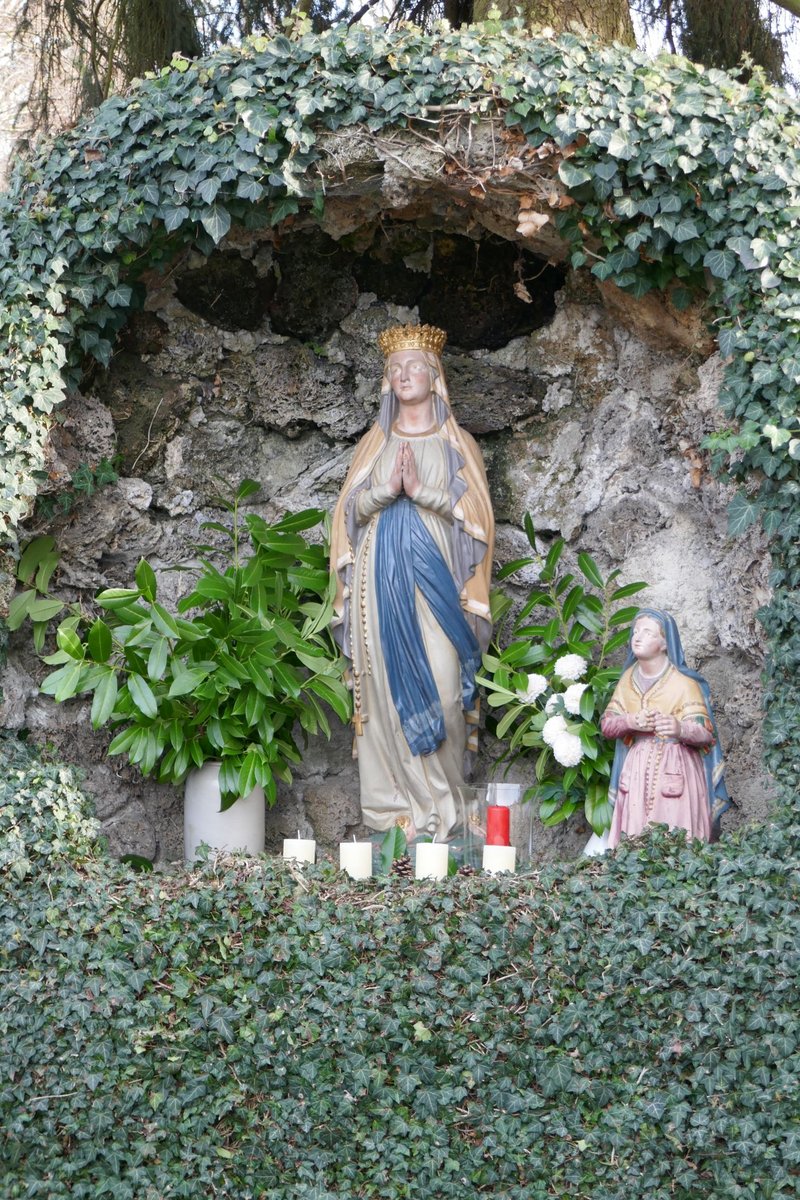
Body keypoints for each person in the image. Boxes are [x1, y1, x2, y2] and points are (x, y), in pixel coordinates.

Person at [330, 323, 494, 840]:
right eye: (395, 368)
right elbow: (346, 516)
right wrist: (385, 492)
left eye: (414, 366)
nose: (404, 375)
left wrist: (422, 493)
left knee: (445, 689)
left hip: (440, 583)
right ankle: (396, 816)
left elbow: (479, 521)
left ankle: (446, 812)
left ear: (434, 375)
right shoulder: (374, 445)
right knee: (382, 695)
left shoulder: (458, 445)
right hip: (379, 584)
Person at [600, 608, 730, 848]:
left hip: (677, 768)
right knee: (635, 842)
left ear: (665, 643)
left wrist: (680, 729)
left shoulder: (684, 683)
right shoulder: (627, 681)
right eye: (635, 631)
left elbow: (706, 735)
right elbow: (607, 726)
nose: (637, 637)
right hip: (636, 771)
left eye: (648, 633)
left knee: (678, 839)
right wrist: (630, 722)